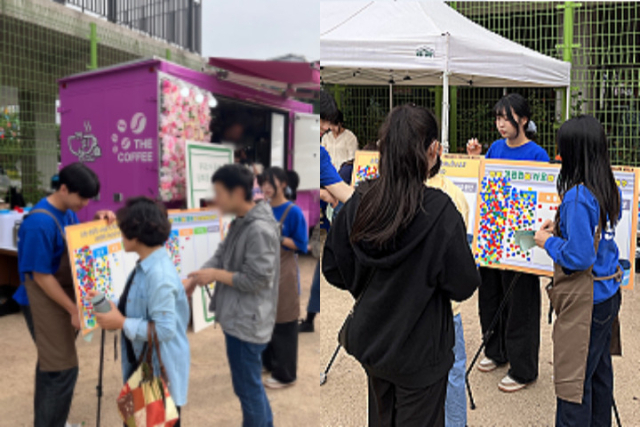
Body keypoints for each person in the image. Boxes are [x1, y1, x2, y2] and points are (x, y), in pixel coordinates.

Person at [323, 104, 480, 426]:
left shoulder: (361, 201)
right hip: (422, 352)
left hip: (375, 341)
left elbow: (334, 267)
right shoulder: (440, 211)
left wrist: (373, 288)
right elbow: (463, 283)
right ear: (433, 151)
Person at [534, 115, 622, 426]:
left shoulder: (576, 196)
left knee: (573, 385)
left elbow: (580, 257)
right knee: (598, 376)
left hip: (585, 302)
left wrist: (548, 242)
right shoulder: (606, 185)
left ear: (573, 151)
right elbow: (595, 238)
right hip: (607, 294)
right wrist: (560, 229)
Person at [16, 162, 114, 427]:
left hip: (60, 295)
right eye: (81, 196)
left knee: (50, 365)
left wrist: (95, 224)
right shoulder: (38, 223)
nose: (85, 202)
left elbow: (72, 242)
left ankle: (51, 421)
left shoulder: (67, 211)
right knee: (61, 369)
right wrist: (74, 309)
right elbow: (41, 276)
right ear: (63, 188)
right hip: (41, 300)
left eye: (89, 198)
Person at [467, 93, 549, 393]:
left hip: (522, 237)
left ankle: (523, 368)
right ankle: (495, 351)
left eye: (507, 118)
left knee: (521, 303)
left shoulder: (538, 154)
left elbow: (542, 198)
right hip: (493, 233)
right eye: (499, 118)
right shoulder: (496, 148)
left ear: (523, 120)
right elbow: (487, 185)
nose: (501, 124)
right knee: (489, 294)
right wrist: (477, 161)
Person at [185, 164, 279, 427]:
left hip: (247, 322)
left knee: (248, 391)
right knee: (250, 388)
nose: (214, 200)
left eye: (218, 193)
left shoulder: (258, 229)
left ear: (237, 192)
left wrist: (214, 274)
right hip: (239, 317)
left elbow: (257, 279)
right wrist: (197, 277)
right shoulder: (241, 221)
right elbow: (222, 253)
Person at [90, 197, 190, 425]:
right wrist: (110, 303)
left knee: (156, 420)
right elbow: (137, 301)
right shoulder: (147, 265)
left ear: (136, 236)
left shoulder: (158, 274)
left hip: (158, 372)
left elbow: (165, 330)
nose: (120, 237)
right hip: (144, 365)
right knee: (138, 420)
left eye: (123, 231)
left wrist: (121, 322)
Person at [426, 142, 470, 427]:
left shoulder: (383, 192)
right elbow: (463, 268)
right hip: (444, 305)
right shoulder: (451, 194)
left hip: (404, 308)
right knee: (453, 371)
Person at [260, 167, 308, 388]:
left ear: (282, 184)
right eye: (263, 183)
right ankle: (268, 363)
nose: (265, 188)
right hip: (263, 272)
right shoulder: (262, 208)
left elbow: (301, 245)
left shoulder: (294, 212)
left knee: (285, 322)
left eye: (270, 183)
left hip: (284, 274)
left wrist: (278, 236)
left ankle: (285, 374)